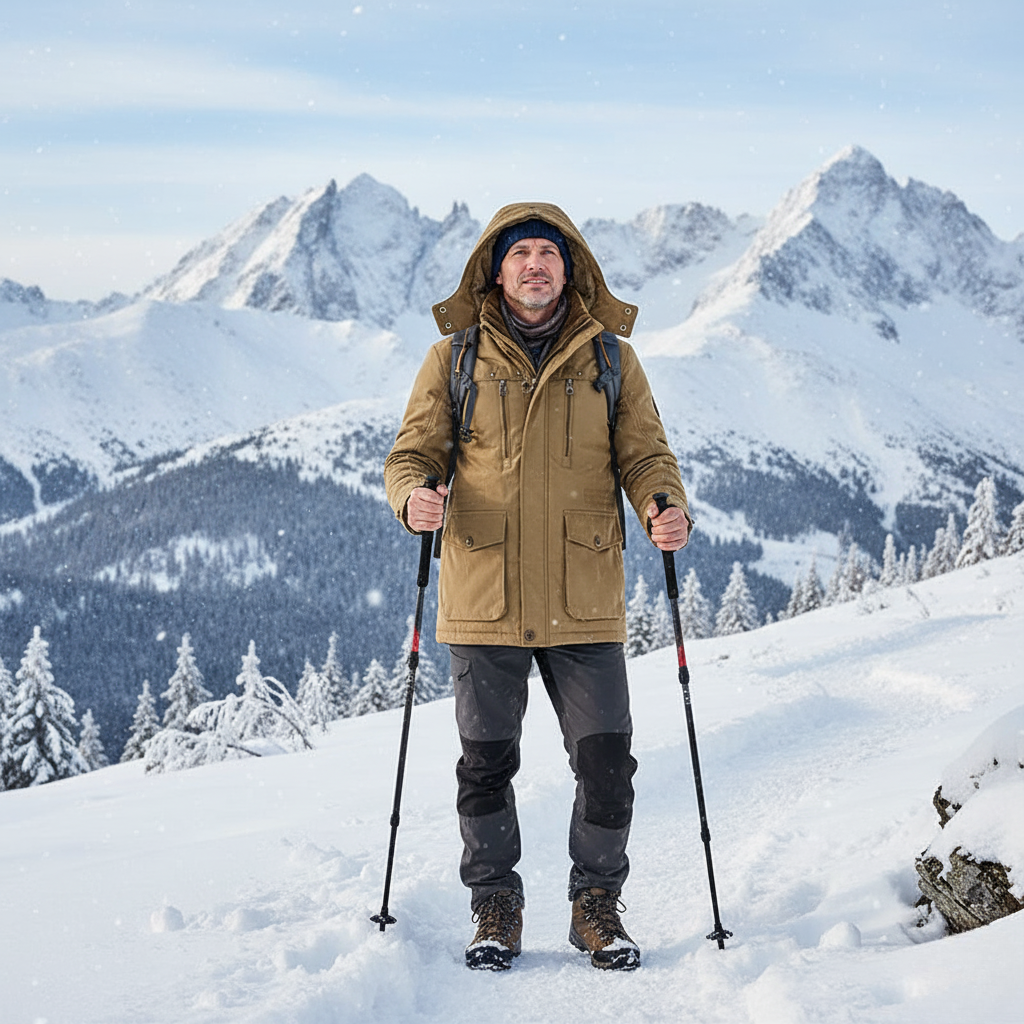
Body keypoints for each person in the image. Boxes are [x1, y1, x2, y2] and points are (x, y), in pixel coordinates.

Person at [384, 202, 691, 971]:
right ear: (496, 271)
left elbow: (646, 456)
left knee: (608, 766)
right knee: (485, 768)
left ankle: (596, 907)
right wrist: (413, 496)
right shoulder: (454, 359)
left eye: (547, 254)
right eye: (519, 254)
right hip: (484, 595)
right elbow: (412, 455)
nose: (534, 266)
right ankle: (496, 908)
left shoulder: (611, 359)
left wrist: (663, 504)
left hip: (583, 597)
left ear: (569, 267)